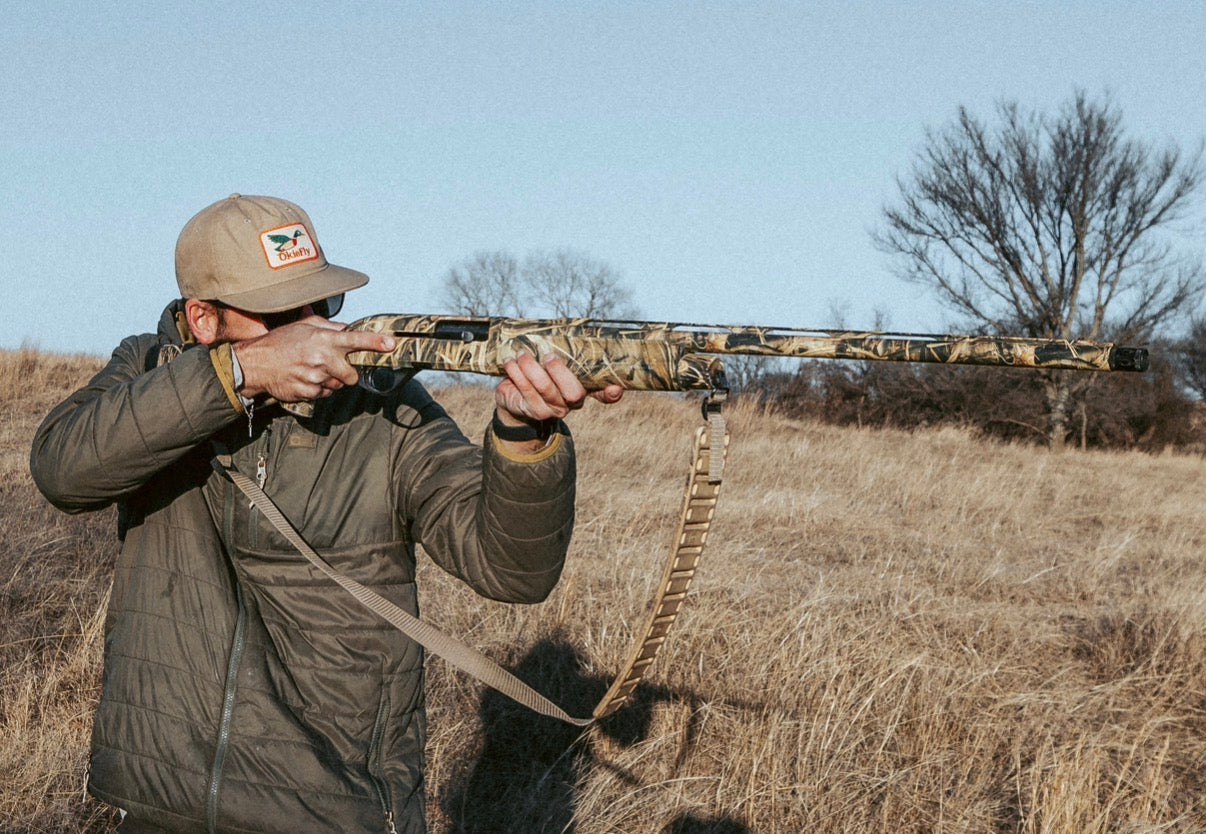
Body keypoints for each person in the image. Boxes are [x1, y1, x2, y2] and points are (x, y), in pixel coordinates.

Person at [30, 194, 622, 833]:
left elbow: (514, 572)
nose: (315, 326)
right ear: (202, 319)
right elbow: (63, 469)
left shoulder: (384, 407)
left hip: (330, 810)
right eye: (284, 313)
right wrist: (240, 377)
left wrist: (522, 435)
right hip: (162, 802)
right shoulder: (151, 371)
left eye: (324, 303)